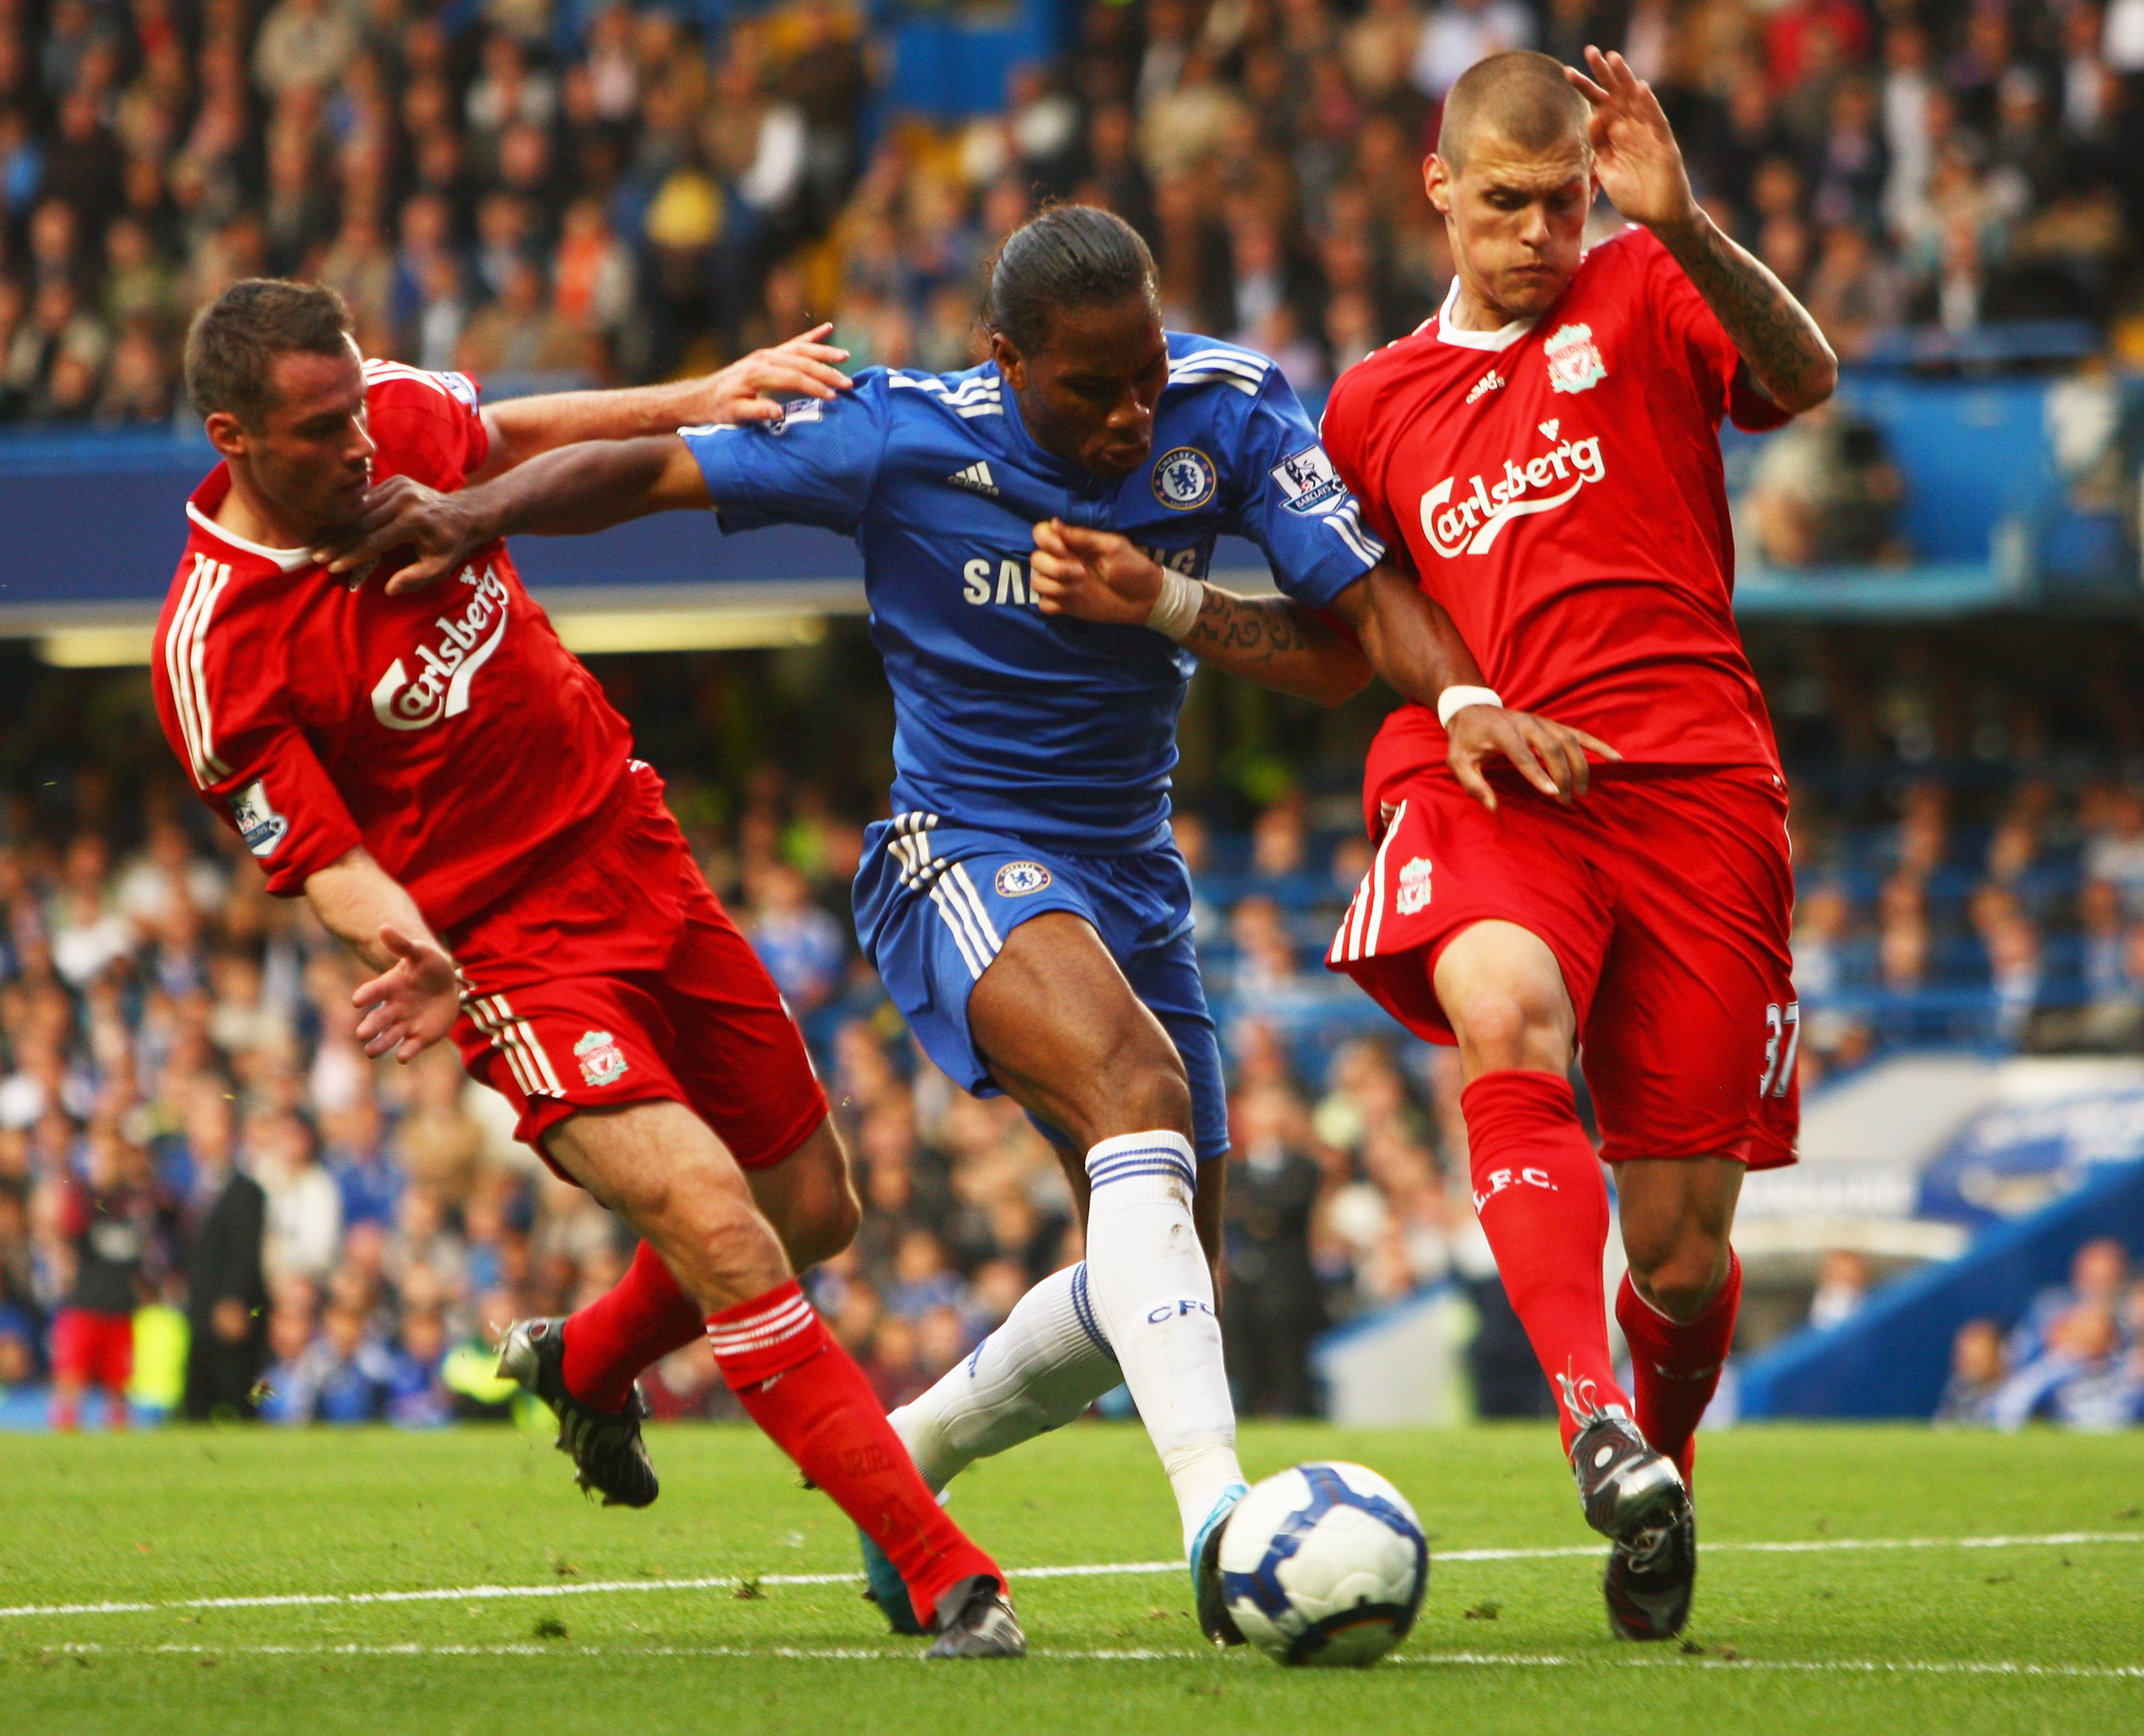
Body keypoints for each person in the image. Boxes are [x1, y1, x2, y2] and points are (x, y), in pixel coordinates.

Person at [309, 203, 1594, 1644]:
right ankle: (1223, 1526)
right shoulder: (901, 434)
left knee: (1161, 1270)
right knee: (1139, 1096)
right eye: (1092, 389)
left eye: (1144, 375)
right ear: (1008, 360)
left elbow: (1344, 646)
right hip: (960, 851)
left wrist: (1179, 605)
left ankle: (911, 1453)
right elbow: (653, 468)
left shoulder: (1227, 409)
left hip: (1133, 877)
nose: (1131, 415)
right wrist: (474, 513)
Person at [148, 279, 1020, 1657]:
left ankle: (587, 1360)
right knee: (721, 1226)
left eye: (360, 409)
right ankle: (945, 1571)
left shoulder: (398, 423)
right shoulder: (216, 645)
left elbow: (504, 433)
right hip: (504, 947)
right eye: (321, 431)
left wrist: (701, 394)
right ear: (233, 437)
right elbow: (325, 857)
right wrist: (409, 947)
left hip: (632, 843)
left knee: (813, 1207)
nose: (362, 445)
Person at [1314, 49, 1838, 1642]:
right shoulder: (1373, 405)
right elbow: (1360, 614)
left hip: (1700, 798)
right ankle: (1589, 1417)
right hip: (1500, 780)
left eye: (1563, 203)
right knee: (1505, 1009)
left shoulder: (1649, 285)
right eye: (1505, 204)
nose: (1538, 235)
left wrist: (1683, 224)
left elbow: (1804, 377)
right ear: (1439, 188)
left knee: (1680, 1254)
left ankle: (1659, 1467)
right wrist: (1447, 692)